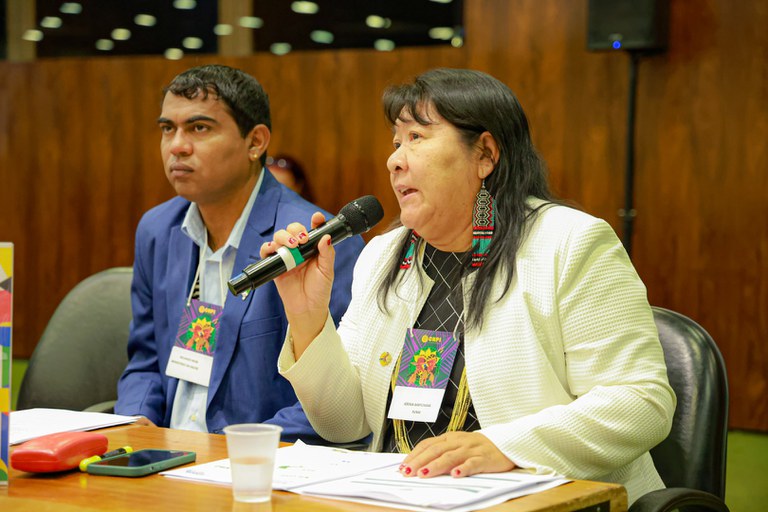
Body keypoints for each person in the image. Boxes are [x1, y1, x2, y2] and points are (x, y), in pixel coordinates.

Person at [264, 68, 676, 504]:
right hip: (403, 496)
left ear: (485, 154)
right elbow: (344, 424)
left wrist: (506, 446)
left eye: (417, 138)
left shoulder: (569, 243)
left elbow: (642, 403)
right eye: (396, 142)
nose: (395, 160)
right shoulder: (385, 255)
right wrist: (307, 315)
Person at [114, 64, 364, 439]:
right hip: (165, 458)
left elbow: (337, 393)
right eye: (168, 129)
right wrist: (136, 425)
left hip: (257, 466)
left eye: (199, 128)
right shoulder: (158, 230)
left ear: (255, 142)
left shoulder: (315, 242)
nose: (177, 146)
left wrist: (239, 453)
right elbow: (147, 359)